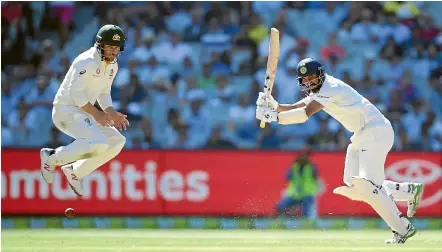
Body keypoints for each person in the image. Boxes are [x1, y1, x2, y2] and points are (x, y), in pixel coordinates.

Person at [255, 58, 423, 244]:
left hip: (376, 131)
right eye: (305, 79)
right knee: (354, 184)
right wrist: (272, 105)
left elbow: (304, 114)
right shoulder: (319, 91)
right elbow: (297, 107)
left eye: (312, 77)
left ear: (321, 74)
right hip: (363, 135)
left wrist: (274, 117)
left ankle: (403, 229)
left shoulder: (330, 87)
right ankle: (408, 190)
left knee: (369, 188)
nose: (309, 82)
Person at [40, 24, 130, 196]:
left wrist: (110, 111)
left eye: (116, 48)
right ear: (100, 44)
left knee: (116, 141)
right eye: (109, 46)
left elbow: (103, 92)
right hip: (65, 111)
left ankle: (75, 171)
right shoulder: (86, 61)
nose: (113, 52)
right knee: (98, 142)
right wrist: (97, 114)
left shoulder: (112, 66)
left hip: (84, 112)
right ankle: (50, 157)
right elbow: (75, 94)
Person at [276, 146, 319, 220]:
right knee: (280, 206)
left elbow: (315, 176)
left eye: (307, 155)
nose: (305, 157)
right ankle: (285, 221)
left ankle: (305, 224)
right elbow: (287, 177)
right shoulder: (294, 166)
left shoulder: (311, 167)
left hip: (307, 193)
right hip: (295, 193)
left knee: (307, 213)